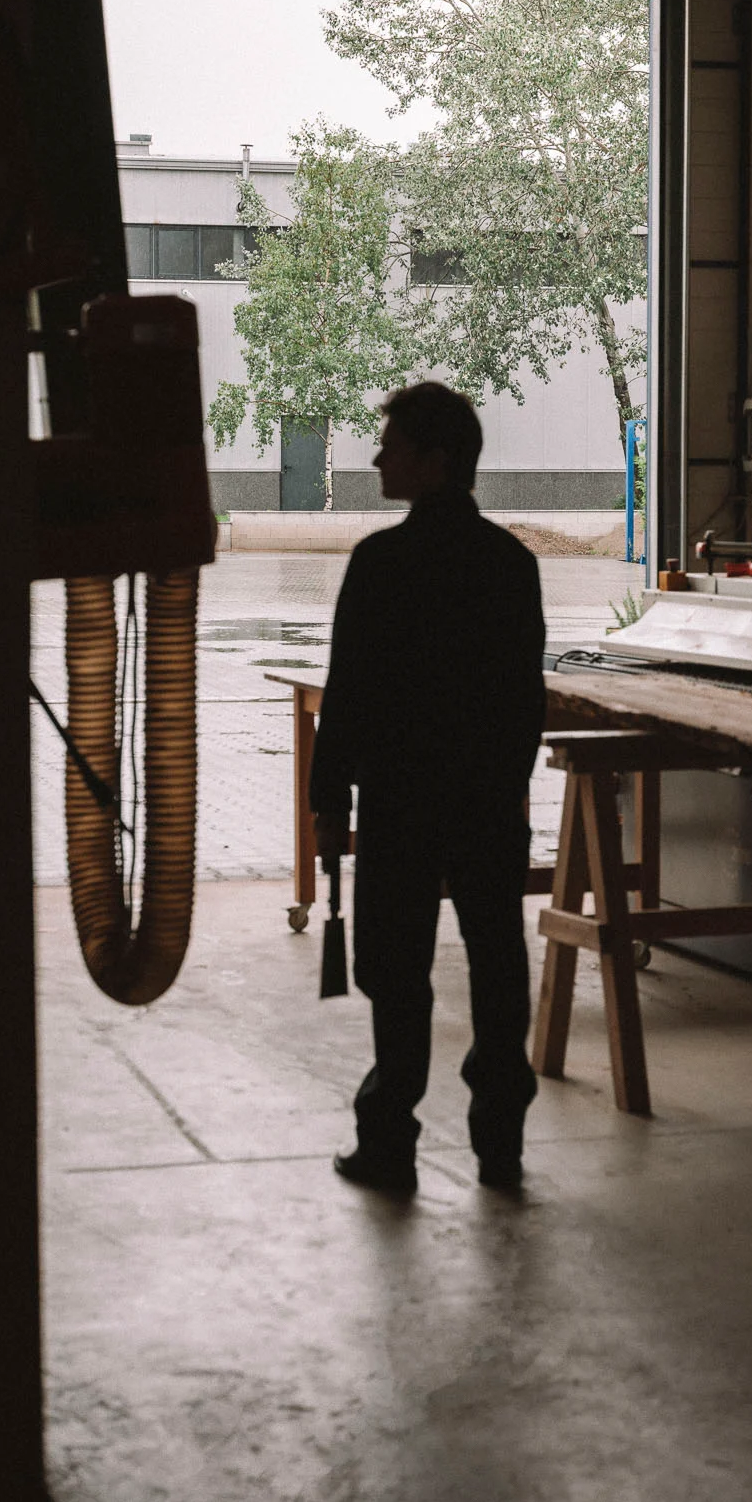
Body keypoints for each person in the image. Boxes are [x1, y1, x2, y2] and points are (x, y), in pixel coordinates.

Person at [310, 382, 547, 1195]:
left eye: (393, 445)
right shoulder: (511, 565)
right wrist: (502, 789)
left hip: (398, 801)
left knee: (397, 969)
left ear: (434, 461)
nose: (379, 457)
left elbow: (348, 697)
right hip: (484, 800)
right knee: (496, 964)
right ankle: (500, 1146)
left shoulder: (381, 563)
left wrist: (327, 800)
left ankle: (389, 1144)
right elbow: (524, 702)